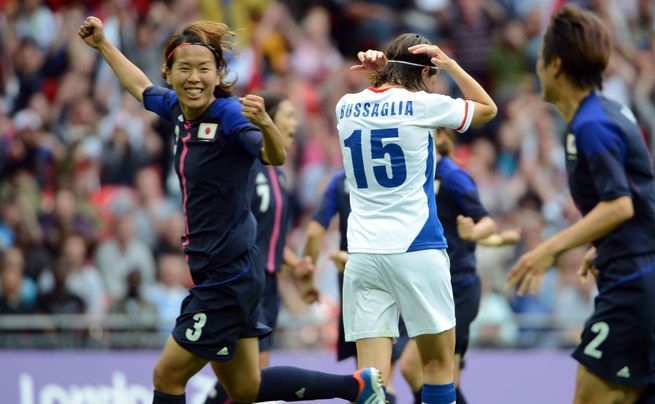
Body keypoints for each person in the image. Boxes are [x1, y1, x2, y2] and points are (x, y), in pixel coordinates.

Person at [78, 16, 385, 404]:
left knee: (167, 376)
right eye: (184, 69)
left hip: (228, 275)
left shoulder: (229, 115)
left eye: (204, 69)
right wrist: (104, 44)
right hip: (225, 270)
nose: (194, 77)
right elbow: (140, 87)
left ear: (218, 73)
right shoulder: (177, 110)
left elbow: (273, 155)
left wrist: (267, 125)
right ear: (169, 74)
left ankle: (355, 387)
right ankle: (355, 387)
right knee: (245, 388)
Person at [507, 6, 655, 404]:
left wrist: (549, 249)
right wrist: (603, 245)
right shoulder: (603, 114)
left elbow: (620, 205)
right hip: (640, 271)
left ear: (555, 65)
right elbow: (636, 193)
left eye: (539, 59)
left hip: (634, 282)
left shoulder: (592, 126)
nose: (535, 68)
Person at [337, 33, 497, 404]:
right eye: (434, 75)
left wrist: (381, 76)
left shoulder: (344, 105)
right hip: (416, 248)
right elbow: (486, 108)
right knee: (439, 368)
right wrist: (450, 64)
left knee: (372, 380)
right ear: (427, 71)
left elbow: (380, 102)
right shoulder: (423, 105)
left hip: (362, 254)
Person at [204, 91, 320, 404]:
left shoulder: (279, 174)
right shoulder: (249, 164)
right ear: (268, 117)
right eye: (290, 115)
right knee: (252, 375)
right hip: (245, 279)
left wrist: (294, 263)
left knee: (250, 377)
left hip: (268, 283)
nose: (296, 123)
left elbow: (270, 235)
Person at [400, 127, 520, 404]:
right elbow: (449, 234)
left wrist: (479, 234)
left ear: (440, 137)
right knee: (445, 378)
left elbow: (483, 221)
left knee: (416, 368)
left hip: (458, 288)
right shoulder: (416, 178)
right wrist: (498, 241)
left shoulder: (453, 176)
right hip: (431, 287)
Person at [302, 170, 409, 404]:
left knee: (365, 378)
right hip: (391, 274)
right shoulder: (395, 172)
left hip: (354, 278)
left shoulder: (340, 181)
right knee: (380, 379)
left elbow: (313, 233)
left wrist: (308, 280)